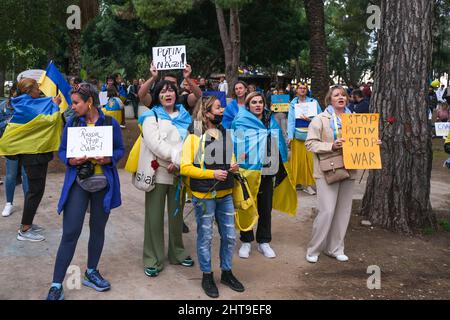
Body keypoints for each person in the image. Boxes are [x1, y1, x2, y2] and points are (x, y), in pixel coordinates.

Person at [46, 82, 124, 300]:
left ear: (89, 102)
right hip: (79, 184)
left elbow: (119, 150)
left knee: (98, 229)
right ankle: (56, 284)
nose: (72, 106)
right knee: (70, 232)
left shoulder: (110, 123)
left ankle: (91, 271)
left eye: (76, 102)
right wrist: (71, 160)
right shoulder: (72, 123)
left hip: (103, 184)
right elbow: (62, 152)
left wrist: (109, 158)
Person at [304, 85, 381, 263]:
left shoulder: (355, 119)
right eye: (336, 95)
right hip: (327, 171)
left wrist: (372, 142)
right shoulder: (320, 119)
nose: (341, 97)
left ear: (347, 99)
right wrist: (331, 145)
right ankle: (314, 249)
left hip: (349, 168)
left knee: (343, 211)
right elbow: (310, 144)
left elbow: (361, 140)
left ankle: (335, 248)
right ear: (329, 99)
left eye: (343, 95)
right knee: (327, 211)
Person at [180, 96, 244, 298]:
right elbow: (185, 167)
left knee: (230, 236)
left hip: (225, 193)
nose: (222, 110)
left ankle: (226, 272)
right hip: (204, 196)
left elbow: (230, 156)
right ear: (207, 113)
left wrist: (233, 165)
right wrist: (212, 174)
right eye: (218, 107)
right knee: (205, 237)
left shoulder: (224, 132)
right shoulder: (193, 136)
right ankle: (207, 276)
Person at [139, 80, 194, 278]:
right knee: (154, 217)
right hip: (158, 172)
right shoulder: (150, 116)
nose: (168, 93)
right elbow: (155, 143)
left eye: (171, 90)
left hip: (178, 172)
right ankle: (152, 258)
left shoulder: (185, 116)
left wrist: (179, 164)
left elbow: (189, 142)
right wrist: (176, 158)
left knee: (176, 216)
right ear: (157, 95)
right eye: (163, 91)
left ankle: (177, 253)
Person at [233, 92, 297, 259]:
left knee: (265, 206)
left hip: (268, 167)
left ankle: (263, 241)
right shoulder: (240, 120)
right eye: (254, 102)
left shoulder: (271, 120)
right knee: (247, 204)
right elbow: (237, 143)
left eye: (260, 102)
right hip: (248, 169)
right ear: (248, 105)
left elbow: (279, 142)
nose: (258, 105)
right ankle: (246, 241)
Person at [12, 79, 61, 242]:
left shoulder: (28, 102)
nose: (39, 90)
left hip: (36, 152)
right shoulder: (26, 105)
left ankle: (28, 224)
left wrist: (52, 102)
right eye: (37, 88)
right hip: (33, 155)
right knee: (35, 192)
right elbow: (49, 120)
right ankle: (25, 230)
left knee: (35, 191)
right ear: (28, 90)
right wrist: (54, 105)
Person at [288, 82, 322, 196]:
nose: (302, 90)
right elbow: (291, 121)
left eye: (304, 88)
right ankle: (298, 183)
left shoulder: (313, 102)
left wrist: (310, 120)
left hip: (311, 136)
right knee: (298, 161)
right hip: (298, 136)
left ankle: (309, 185)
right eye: (300, 88)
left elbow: (321, 118)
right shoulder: (293, 103)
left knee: (311, 161)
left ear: (307, 90)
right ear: (296, 90)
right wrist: (289, 136)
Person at [1, 83, 29, 217]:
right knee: (11, 175)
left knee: (26, 175)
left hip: (26, 145)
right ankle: (9, 203)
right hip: (11, 145)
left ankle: (28, 204)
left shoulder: (27, 105)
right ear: (12, 93)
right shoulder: (3, 106)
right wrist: (8, 122)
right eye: (17, 94)